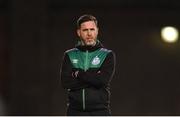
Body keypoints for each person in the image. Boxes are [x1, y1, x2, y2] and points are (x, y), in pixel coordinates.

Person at [60, 14, 116, 116]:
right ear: (79, 32)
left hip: (100, 112)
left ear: (97, 30)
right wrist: (94, 77)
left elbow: (102, 81)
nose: (89, 33)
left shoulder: (107, 54)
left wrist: (78, 74)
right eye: (85, 30)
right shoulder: (69, 55)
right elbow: (66, 82)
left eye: (92, 29)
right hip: (75, 112)